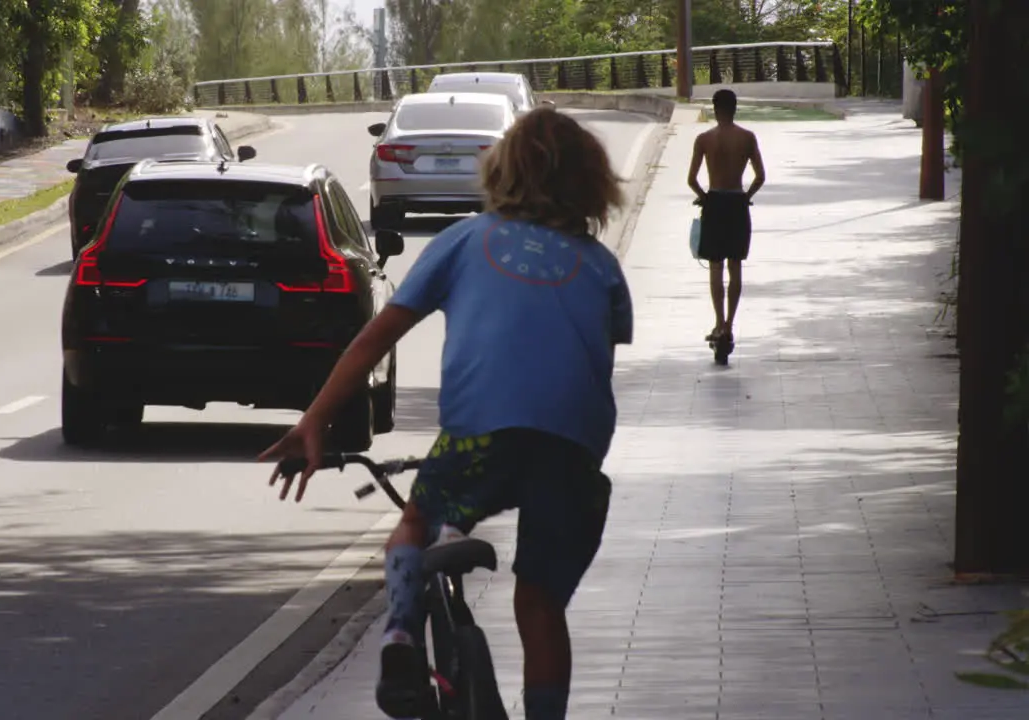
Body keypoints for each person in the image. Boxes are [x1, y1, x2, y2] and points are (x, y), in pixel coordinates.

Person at [259, 107, 633, 720]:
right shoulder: (600, 266)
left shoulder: (465, 239)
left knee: (415, 522)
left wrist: (314, 423)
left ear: (502, 172)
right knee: (540, 605)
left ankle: (401, 639)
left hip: (480, 437)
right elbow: (588, 369)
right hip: (572, 452)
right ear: (590, 181)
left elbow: (373, 340)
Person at [687, 88, 766, 345]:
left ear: (715, 108)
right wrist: (746, 196)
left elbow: (691, 180)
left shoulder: (704, 139)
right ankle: (730, 324)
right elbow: (760, 176)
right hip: (736, 203)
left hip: (715, 203)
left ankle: (719, 322)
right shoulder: (747, 138)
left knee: (715, 266)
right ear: (735, 108)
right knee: (735, 266)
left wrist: (705, 196)